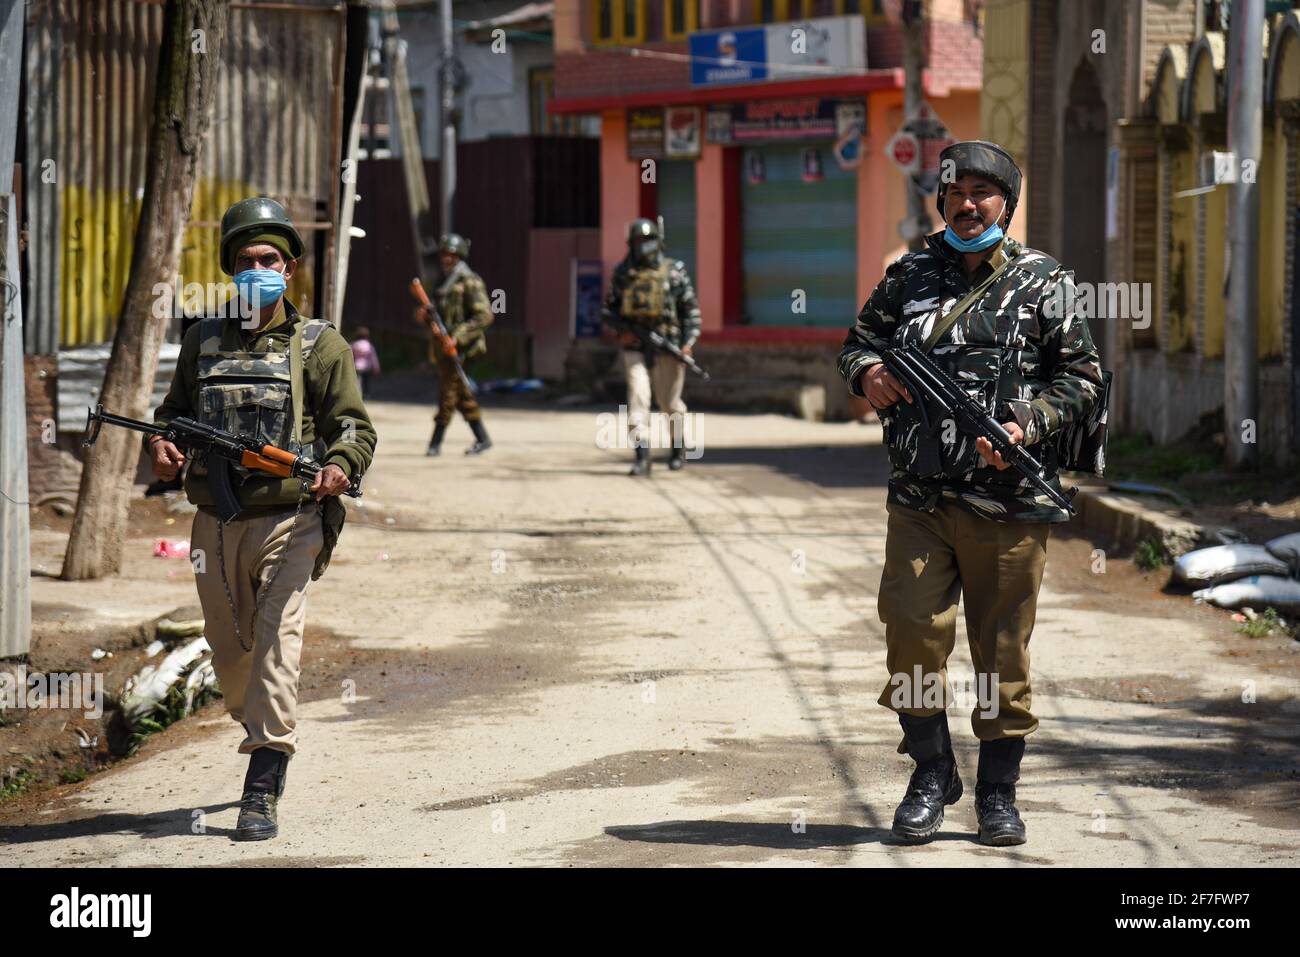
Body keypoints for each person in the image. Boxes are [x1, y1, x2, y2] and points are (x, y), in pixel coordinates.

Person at [837, 141, 1103, 846]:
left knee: (1000, 649)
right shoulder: (909, 274)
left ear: (1006, 206)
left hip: (1008, 502)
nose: (968, 202)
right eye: (956, 190)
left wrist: (1025, 423)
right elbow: (858, 342)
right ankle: (930, 772)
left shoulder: (1045, 282)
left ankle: (997, 790)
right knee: (911, 633)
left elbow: (1083, 378)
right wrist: (868, 373)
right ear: (942, 200)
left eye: (984, 192)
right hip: (921, 497)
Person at [146, 196, 377, 841]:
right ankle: (258, 724)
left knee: (278, 645)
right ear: (230, 270)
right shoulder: (202, 341)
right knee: (232, 652)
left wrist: (339, 466)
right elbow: (171, 417)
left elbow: (352, 427)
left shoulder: (318, 345)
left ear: (290, 267)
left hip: (290, 521)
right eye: (245, 260)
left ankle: (263, 781)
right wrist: (163, 447)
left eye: (268, 258)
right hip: (214, 522)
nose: (257, 268)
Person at [600, 218, 701, 476]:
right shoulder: (624, 273)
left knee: (669, 403)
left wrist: (687, 344)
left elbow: (690, 312)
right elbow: (607, 311)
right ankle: (642, 455)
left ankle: (677, 450)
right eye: (637, 242)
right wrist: (622, 331)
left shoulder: (674, 271)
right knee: (638, 399)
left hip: (669, 346)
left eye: (647, 241)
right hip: (635, 348)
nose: (643, 246)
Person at [419, 233, 493, 456]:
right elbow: (438, 313)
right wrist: (427, 319)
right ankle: (482, 438)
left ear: (460, 255)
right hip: (444, 347)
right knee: (461, 395)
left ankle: (435, 444)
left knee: (448, 395)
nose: (447, 258)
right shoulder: (444, 280)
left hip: (462, 349)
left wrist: (457, 337)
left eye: (451, 254)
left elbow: (484, 315)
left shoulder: (469, 280)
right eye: (444, 254)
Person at [350, 326, 380, 399]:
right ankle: (366, 394)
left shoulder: (354, 344)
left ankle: (357, 394)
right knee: (366, 382)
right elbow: (373, 357)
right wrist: (376, 367)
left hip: (357, 366)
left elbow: (349, 354)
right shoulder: (369, 345)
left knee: (357, 381)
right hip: (367, 367)